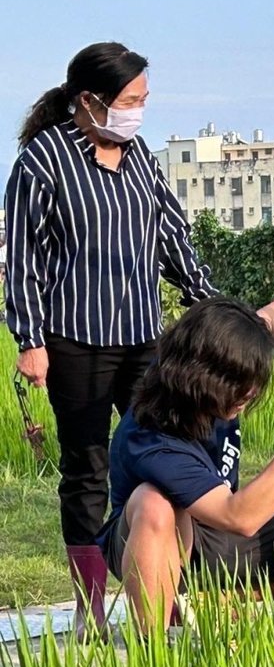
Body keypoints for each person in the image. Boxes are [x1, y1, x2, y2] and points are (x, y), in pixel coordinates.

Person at [5, 42, 219, 633]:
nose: (137, 113)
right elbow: (22, 258)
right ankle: (90, 603)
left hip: (142, 339)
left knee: (164, 460)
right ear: (89, 101)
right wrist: (29, 338)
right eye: (129, 101)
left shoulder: (140, 157)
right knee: (88, 469)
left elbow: (172, 237)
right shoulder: (43, 160)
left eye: (143, 102)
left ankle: (167, 591)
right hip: (74, 339)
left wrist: (214, 309)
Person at [99, 200, 274, 636]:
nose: (249, 396)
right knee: (155, 504)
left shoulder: (224, 342)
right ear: (203, 378)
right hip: (171, 536)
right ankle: (153, 642)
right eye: (239, 388)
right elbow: (239, 515)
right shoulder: (153, 436)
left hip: (222, 538)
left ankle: (221, 602)